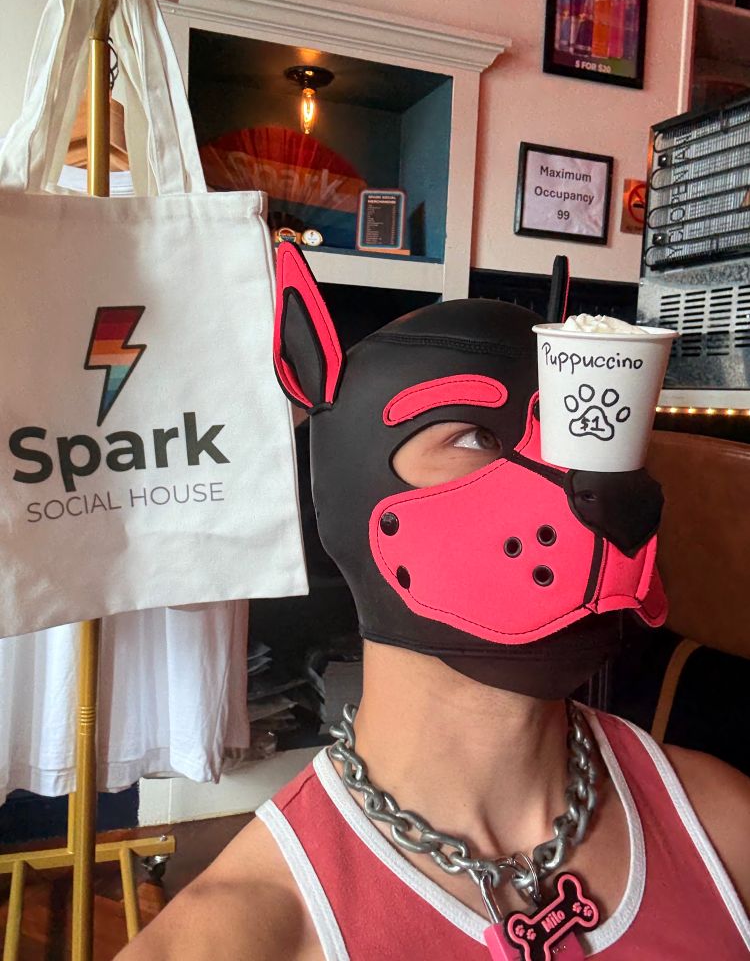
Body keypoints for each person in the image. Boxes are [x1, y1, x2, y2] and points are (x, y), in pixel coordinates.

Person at [118, 244, 750, 960]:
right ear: (349, 494)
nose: (584, 484)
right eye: (476, 435)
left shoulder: (726, 829)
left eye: (590, 431)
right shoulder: (244, 935)